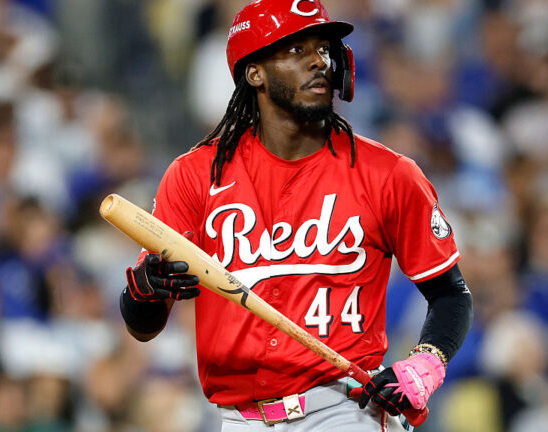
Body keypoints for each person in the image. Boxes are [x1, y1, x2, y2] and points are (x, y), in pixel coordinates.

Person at [118, 0, 472, 430]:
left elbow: (451, 293)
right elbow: (143, 325)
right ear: (255, 72)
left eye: (322, 49)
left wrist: (426, 363)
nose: (318, 62)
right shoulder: (194, 176)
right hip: (239, 419)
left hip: (344, 410)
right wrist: (146, 291)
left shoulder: (389, 174)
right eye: (295, 50)